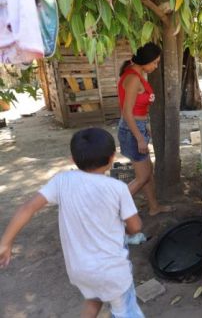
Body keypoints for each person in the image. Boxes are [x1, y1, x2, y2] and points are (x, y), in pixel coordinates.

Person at [0, 128, 144, 318]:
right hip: (112, 272)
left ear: (73, 159)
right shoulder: (118, 189)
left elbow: (28, 208)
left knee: (93, 300)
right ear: (112, 158)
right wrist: (125, 231)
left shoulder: (61, 181)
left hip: (80, 270)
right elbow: (135, 227)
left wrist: (6, 242)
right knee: (126, 311)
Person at [118, 42, 172, 216]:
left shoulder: (136, 73)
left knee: (147, 173)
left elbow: (136, 108)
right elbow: (127, 112)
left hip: (137, 126)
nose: (156, 66)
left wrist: (144, 126)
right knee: (142, 177)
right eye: (155, 62)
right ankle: (112, 208)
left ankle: (154, 207)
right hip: (132, 129)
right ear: (145, 60)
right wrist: (139, 137)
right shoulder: (133, 78)